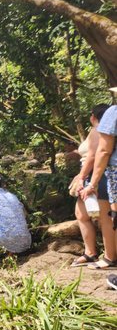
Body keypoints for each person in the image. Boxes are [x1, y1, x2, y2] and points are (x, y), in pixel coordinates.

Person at [69, 104, 114, 267]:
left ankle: (108, 256)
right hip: (93, 175)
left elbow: (94, 155)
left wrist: (82, 177)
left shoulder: (97, 130)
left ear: (93, 116)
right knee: (82, 214)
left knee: (105, 217)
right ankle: (91, 252)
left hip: (95, 176)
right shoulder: (103, 130)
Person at [80, 99, 117, 275]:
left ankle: (110, 257)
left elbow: (102, 152)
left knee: (110, 216)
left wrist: (90, 183)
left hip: (113, 172)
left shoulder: (113, 113)